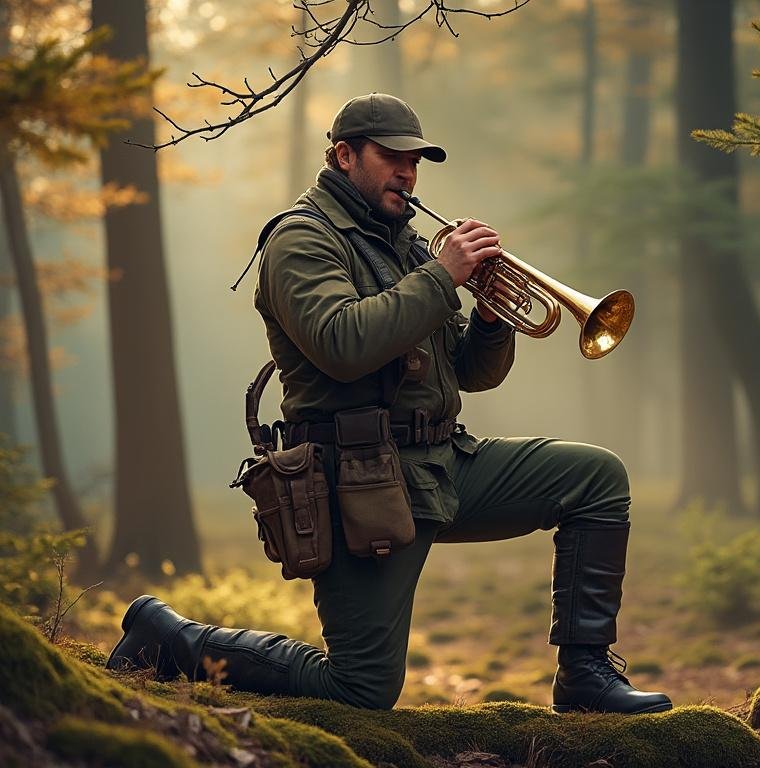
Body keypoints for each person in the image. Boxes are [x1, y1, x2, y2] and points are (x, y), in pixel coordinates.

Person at [105, 93, 671, 715]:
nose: (408, 172)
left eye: (416, 161)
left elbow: (473, 374)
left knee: (596, 479)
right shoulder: (301, 240)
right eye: (392, 157)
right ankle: (167, 638)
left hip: (442, 463)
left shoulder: (403, 244)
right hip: (360, 481)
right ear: (344, 156)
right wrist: (442, 277)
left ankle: (585, 674)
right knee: (362, 688)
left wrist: (488, 317)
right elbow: (342, 343)